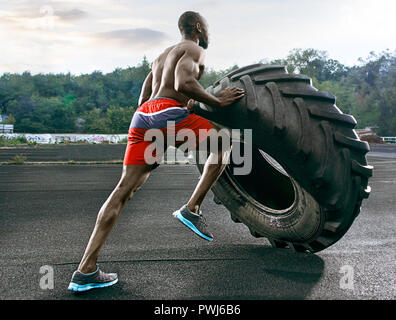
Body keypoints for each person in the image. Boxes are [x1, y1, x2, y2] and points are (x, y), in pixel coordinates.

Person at [68, 11, 244, 292]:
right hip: (166, 114)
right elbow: (183, 84)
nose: (208, 32)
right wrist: (217, 102)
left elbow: (144, 98)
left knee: (123, 190)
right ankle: (192, 208)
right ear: (197, 27)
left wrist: (161, 136)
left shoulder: (161, 56)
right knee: (224, 144)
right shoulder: (194, 48)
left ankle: (85, 270)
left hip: (143, 116)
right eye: (207, 26)